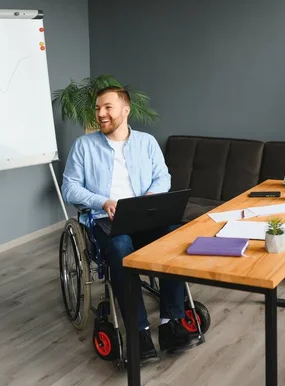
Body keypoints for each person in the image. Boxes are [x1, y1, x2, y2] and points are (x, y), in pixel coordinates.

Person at [61, 86, 195, 362]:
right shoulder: (84, 146)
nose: (101, 113)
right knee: (121, 245)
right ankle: (139, 331)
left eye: (107, 107)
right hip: (104, 219)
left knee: (175, 236)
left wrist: (150, 197)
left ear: (125, 110)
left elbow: (163, 178)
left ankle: (172, 323)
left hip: (146, 216)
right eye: (98, 108)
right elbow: (70, 189)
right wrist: (103, 201)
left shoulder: (147, 142)